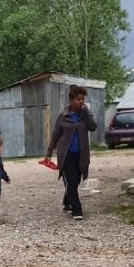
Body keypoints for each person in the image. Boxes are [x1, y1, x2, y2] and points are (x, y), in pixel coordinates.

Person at [45, 84, 97, 221]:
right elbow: (56, 135)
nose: (80, 102)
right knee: (71, 180)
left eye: (82, 99)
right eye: (77, 99)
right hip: (66, 154)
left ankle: (67, 201)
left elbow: (93, 127)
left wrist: (86, 114)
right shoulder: (63, 116)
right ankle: (77, 210)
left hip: (81, 155)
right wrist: (49, 152)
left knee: (75, 181)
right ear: (71, 100)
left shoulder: (85, 114)